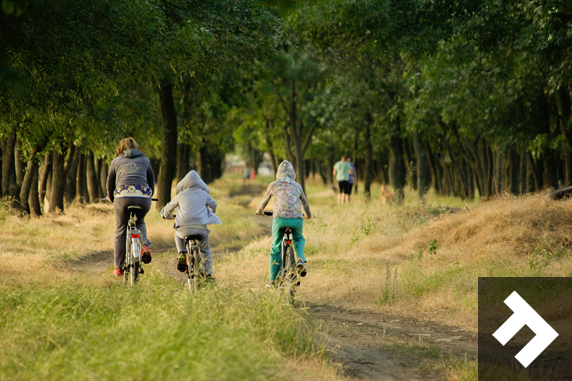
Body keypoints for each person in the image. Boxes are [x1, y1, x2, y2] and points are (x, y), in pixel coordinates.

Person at [256, 161, 312, 284]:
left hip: (279, 219)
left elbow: (264, 202)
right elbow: (305, 204)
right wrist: (308, 215)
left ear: (278, 173)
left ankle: (272, 280)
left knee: (276, 246)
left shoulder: (273, 185)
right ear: (293, 174)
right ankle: (300, 259)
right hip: (296, 219)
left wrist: (259, 211)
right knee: (298, 238)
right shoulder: (297, 186)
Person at [106, 137, 154, 277]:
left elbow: (110, 184)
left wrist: (110, 197)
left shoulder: (115, 161)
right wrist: (149, 195)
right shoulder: (145, 160)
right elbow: (151, 181)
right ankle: (144, 245)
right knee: (140, 221)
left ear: (120, 148)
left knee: (120, 229)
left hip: (122, 196)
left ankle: (119, 267)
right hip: (143, 196)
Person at [161, 170, 222, 279]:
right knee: (205, 249)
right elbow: (214, 205)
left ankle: (181, 253)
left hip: (183, 228)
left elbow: (167, 210)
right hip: (200, 228)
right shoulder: (203, 194)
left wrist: (166, 215)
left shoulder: (181, 195)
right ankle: (208, 273)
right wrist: (211, 211)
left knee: (178, 235)